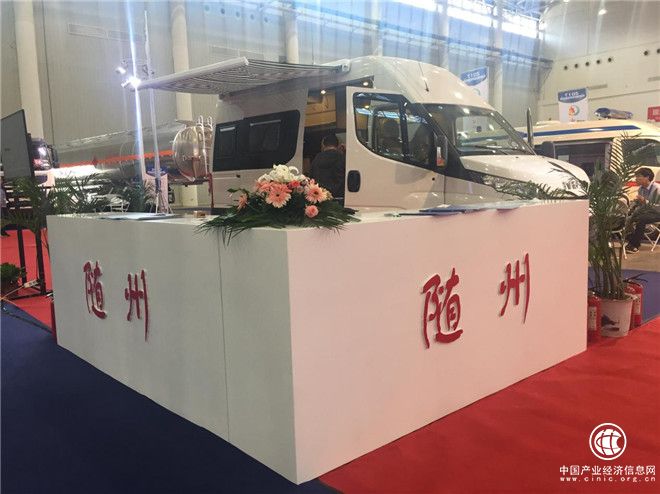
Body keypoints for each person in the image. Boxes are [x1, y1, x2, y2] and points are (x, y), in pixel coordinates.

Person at [625, 167, 660, 253]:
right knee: (630, 217)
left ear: (647, 177)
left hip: (657, 212)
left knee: (642, 219)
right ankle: (631, 241)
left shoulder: (657, 189)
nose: (636, 179)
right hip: (648, 212)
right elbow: (642, 206)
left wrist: (644, 201)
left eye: (638, 176)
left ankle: (635, 245)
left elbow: (658, 207)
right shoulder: (641, 189)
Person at [310, 134, 346, 199]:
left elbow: (312, 176)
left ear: (323, 145)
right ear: (338, 145)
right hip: (339, 196)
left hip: (321, 195)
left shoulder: (317, 158)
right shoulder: (342, 158)